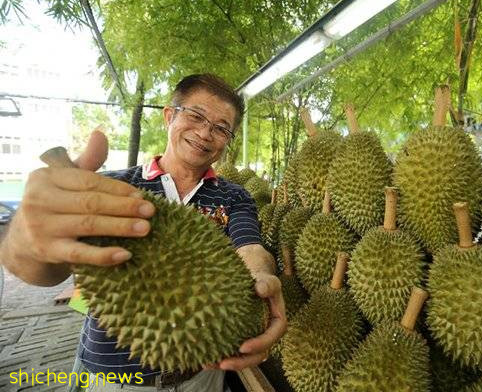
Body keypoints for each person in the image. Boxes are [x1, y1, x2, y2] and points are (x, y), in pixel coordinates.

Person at [0, 73, 287, 391]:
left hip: (202, 377)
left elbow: (250, 248)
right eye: (195, 116)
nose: (205, 133)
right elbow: (42, 269)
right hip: (115, 379)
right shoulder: (111, 189)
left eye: (221, 128)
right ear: (169, 116)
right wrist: (23, 240)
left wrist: (262, 280)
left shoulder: (234, 196)